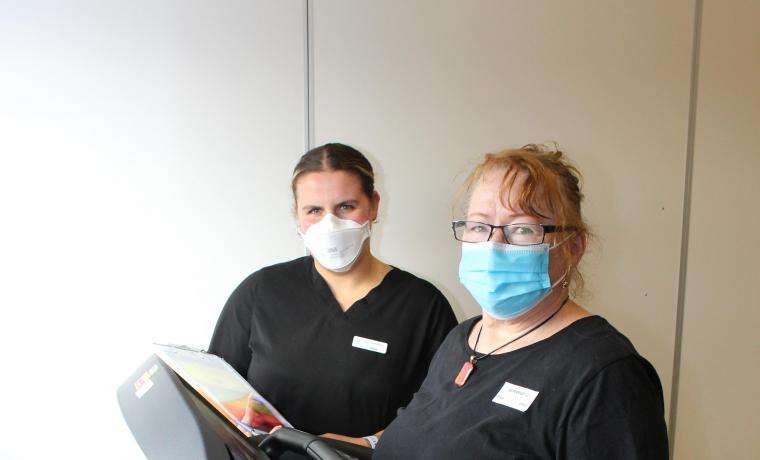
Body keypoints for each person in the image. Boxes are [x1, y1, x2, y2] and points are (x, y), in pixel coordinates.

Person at [373, 144, 669, 459]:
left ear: (573, 247)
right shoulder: (462, 338)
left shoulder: (605, 375)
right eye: (478, 226)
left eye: (523, 229)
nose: (493, 245)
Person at [208, 143, 457, 446]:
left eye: (346, 207)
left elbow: (443, 412)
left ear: (374, 205)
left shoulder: (423, 306)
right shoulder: (261, 292)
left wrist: (370, 443)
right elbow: (215, 395)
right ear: (297, 215)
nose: (330, 223)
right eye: (314, 210)